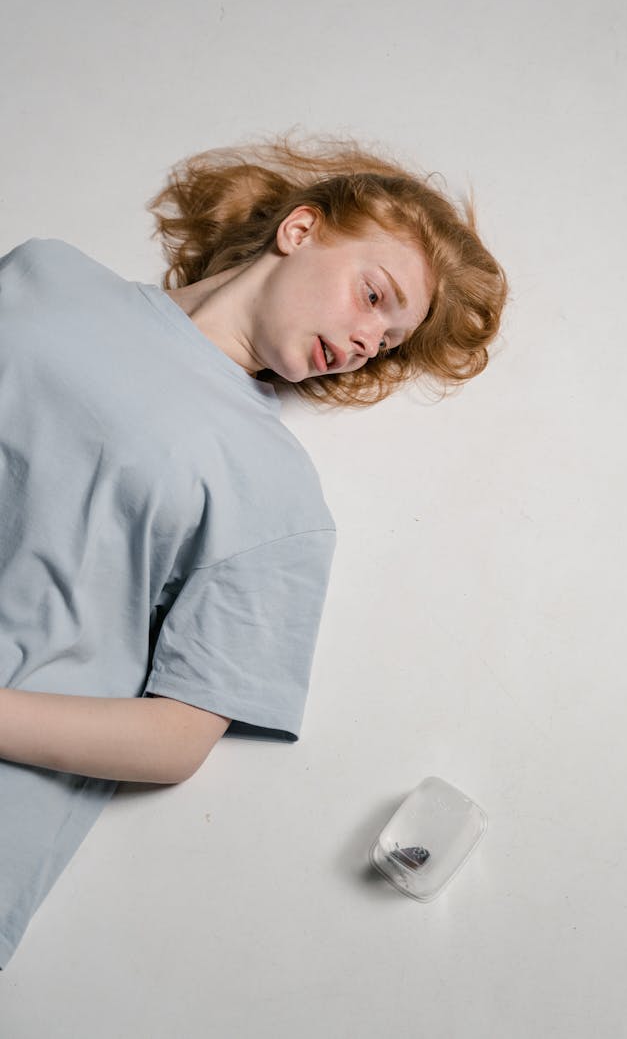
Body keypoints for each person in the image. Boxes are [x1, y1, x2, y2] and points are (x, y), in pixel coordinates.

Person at [0, 134, 507, 969]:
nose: (364, 339)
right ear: (301, 230)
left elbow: (179, 735)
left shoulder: (278, 492)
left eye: (386, 339)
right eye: (372, 295)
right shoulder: (44, 275)